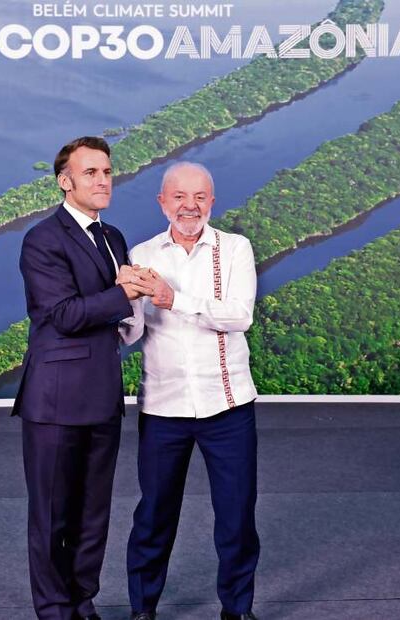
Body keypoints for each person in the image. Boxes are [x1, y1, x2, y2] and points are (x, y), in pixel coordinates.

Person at [14, 136, 151, 620]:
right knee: (53, 515)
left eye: (107, 172)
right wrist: (125, 292)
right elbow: (64, 315)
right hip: (55, 401)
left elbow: (115, 314)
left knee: (94, 514)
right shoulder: (42, 239)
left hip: (103, 395)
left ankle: (82, 601)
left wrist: (135, 296)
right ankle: (54, 610)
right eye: (90, 172)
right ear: (64, 182)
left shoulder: (113, 236)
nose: (103, 180)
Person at [121, 162, 260, 620]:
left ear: (212, 202)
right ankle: (143, 610)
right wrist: (119, 300)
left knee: (236, 517)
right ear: (162, 202)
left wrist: (173, 299)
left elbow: (239, 315)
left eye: (199, 197)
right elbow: (131, 332)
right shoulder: (143, 253)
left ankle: (237, 610)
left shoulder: (235, 248)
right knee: (154, 515)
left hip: (228, 406)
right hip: (163, 409)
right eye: (179, 197)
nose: (189, 206)